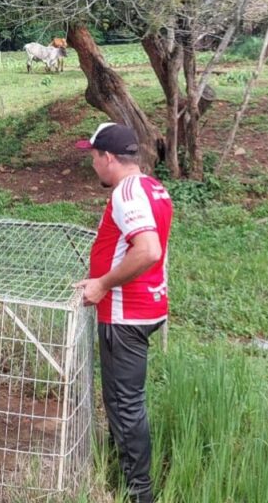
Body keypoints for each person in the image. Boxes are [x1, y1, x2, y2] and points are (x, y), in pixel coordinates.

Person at [74, 122, 172, 503]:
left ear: (110, 158)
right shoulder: (152, 186)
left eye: (95, 157)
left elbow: (147, 250)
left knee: (124, 404)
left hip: (125, 314)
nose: (93, 164)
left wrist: (101, 284)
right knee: (122, 400)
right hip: (146, 306)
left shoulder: (126, 193)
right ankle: (120, 470)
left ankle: (138, 493)